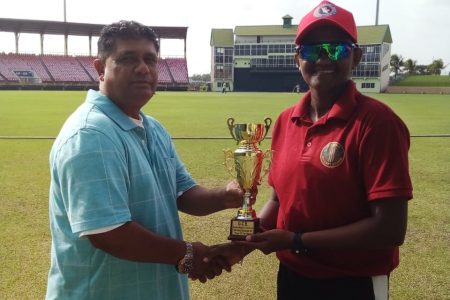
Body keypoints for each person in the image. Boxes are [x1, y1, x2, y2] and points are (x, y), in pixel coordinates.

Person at [207, 1, 413, 299]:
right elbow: (279, 199)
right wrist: (241, 246)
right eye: (311, 50)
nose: (323, 58)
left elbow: (390, 228)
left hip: (353, 283)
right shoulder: (286, 120)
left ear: (356, 56)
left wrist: (296, 240)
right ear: (297, 59)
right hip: (292, 278)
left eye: (336, 49)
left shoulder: (378, 123)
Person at [46, 20, 243, 300]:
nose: (143, 68)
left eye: (150, 60)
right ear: (100, 68)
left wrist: (225, 197)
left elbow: (182, 193)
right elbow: (109, 233)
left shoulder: (153, 128)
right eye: (128, 59)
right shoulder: (91, 134)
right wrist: (187, 253)